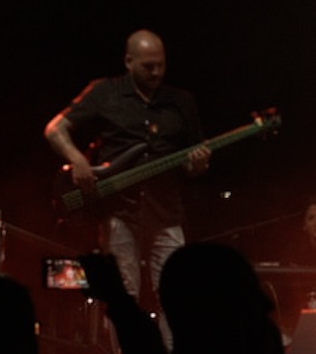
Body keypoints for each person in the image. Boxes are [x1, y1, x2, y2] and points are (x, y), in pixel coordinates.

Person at [45, 30, 209, 323]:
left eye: (161, 64)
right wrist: (78, 160)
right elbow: (55, 129)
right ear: (128, 62)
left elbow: (193, 162)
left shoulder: (181, 102)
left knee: (178, 296)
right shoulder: (105, 92)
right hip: (119, 213)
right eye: (148, 66)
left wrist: (198, 165)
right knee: (123, 297)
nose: (156, 72)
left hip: (167, 211)